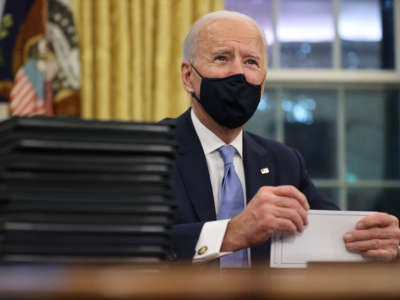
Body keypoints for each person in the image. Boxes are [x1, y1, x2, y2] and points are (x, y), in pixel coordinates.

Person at [161, 10, 400, 267]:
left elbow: (338, 236)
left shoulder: (283, 162)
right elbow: (125, 246)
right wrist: (229, 234)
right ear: (188, 77)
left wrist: (377, 238)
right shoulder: (149, 152)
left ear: (263, 83)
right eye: (222, 58)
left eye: (251, 62)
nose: (238, 74)